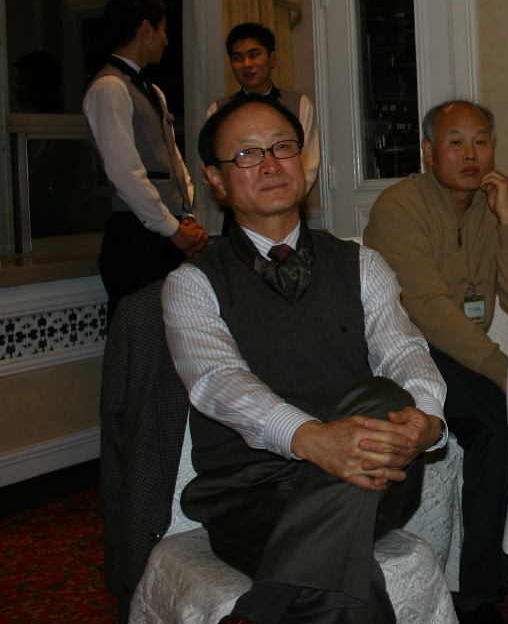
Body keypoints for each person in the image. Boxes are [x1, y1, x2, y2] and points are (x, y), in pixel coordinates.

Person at [163, 94, 446, 624]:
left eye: (282, 147)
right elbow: (218, 380)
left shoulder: (362, 264)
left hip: (374, 474)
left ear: (303, 160)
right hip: (250, 492)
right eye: (247, 153)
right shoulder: (192, 284)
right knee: (340, 585)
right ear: (216, 179)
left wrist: (429, 419)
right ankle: (273, 599)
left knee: (385, 394)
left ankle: (265, 602)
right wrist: (311, 439)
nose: (270, 164)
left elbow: (404, 350)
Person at [362, 100, 508, 623]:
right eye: (455, 142)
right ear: (428, 151)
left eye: (481, 141)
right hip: (397, 357)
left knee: (499, 432)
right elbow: (425, 309)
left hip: (457, 360)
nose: (471, 154)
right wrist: (502, 370)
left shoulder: (492, 206)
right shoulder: (399, 207)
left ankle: (478, 596)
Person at [83, 0, 206, 319]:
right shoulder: (109, 86)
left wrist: (186, 217)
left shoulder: (152, 90)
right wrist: (173, 229)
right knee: (139, 335)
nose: (167, 40)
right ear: (146, 28)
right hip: (136, 238)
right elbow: (125, 173)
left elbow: (173, 161)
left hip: (165, 233)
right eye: (163, 29)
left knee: (174, 334)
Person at [207, 22, 320, 196]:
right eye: (238, 58)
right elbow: (213, 166)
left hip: (288, 201)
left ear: (272, 59)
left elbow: (308, 164)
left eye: (254, 55)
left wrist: (285, 197)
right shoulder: (218, 111)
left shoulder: (298, 104)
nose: (246, 64)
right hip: (239, 205)